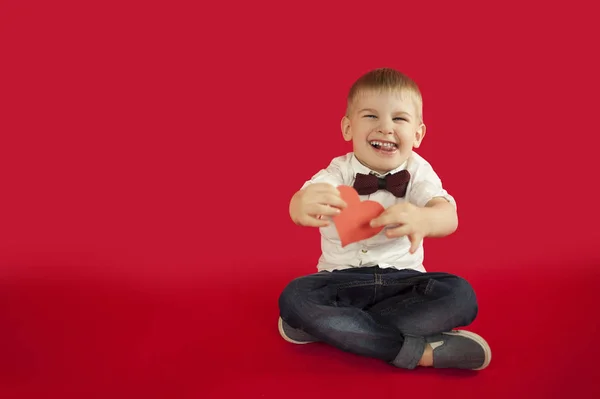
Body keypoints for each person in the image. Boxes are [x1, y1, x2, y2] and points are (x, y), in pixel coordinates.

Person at [277, 68, 491, 370]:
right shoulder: (337, 172)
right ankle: (419, 353)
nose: (385, 128)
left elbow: (449, 216)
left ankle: (334, 330)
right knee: (295, 297)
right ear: (348, 128)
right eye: (371, 116)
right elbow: (307, 196)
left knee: (461, 295)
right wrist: (298, 205)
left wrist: (425, 218)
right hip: (341, 284)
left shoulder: (418, 172)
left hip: (403, 283)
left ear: (418, 134)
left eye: (399, 119)